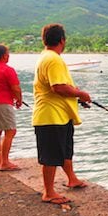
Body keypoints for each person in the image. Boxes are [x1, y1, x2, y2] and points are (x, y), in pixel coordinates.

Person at [32, 23, 91, 205]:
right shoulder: (53, 59)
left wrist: (75, 95)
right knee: (50, 156)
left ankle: (72, 178)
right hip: (50, 116)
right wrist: (81, 94)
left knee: (65, 150)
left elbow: (62, 86)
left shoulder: (47, 57)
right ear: (62, 40)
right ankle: (48, 192)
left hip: (60, 115)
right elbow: (58, 87)